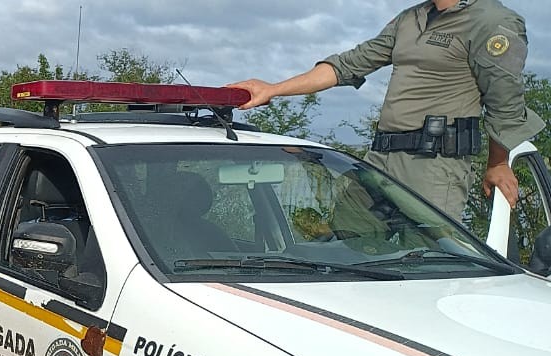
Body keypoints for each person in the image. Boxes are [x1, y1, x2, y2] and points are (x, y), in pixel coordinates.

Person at [228, 0, 545, 222]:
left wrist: (499, 163)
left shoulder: (492, 20)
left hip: (434, 169)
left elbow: (504, 101)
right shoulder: (410, 19)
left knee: (426, 266)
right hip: (379, 162)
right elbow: (349, 64)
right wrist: (273, 88)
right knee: (342, 249)